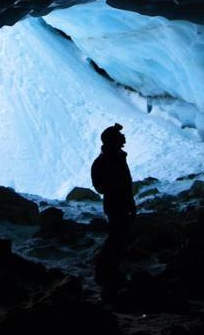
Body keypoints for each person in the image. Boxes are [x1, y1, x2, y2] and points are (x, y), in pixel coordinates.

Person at [91, 123, 136, 299]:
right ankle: (106, 272)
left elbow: (102, 186)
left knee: (118, 237)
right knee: (117, 238)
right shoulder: (110, 160)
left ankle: (108, 271)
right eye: (119, 136)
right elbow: (106, 185)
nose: (123, 138)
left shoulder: (111, 158)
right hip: (117, 203)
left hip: (118, 202)